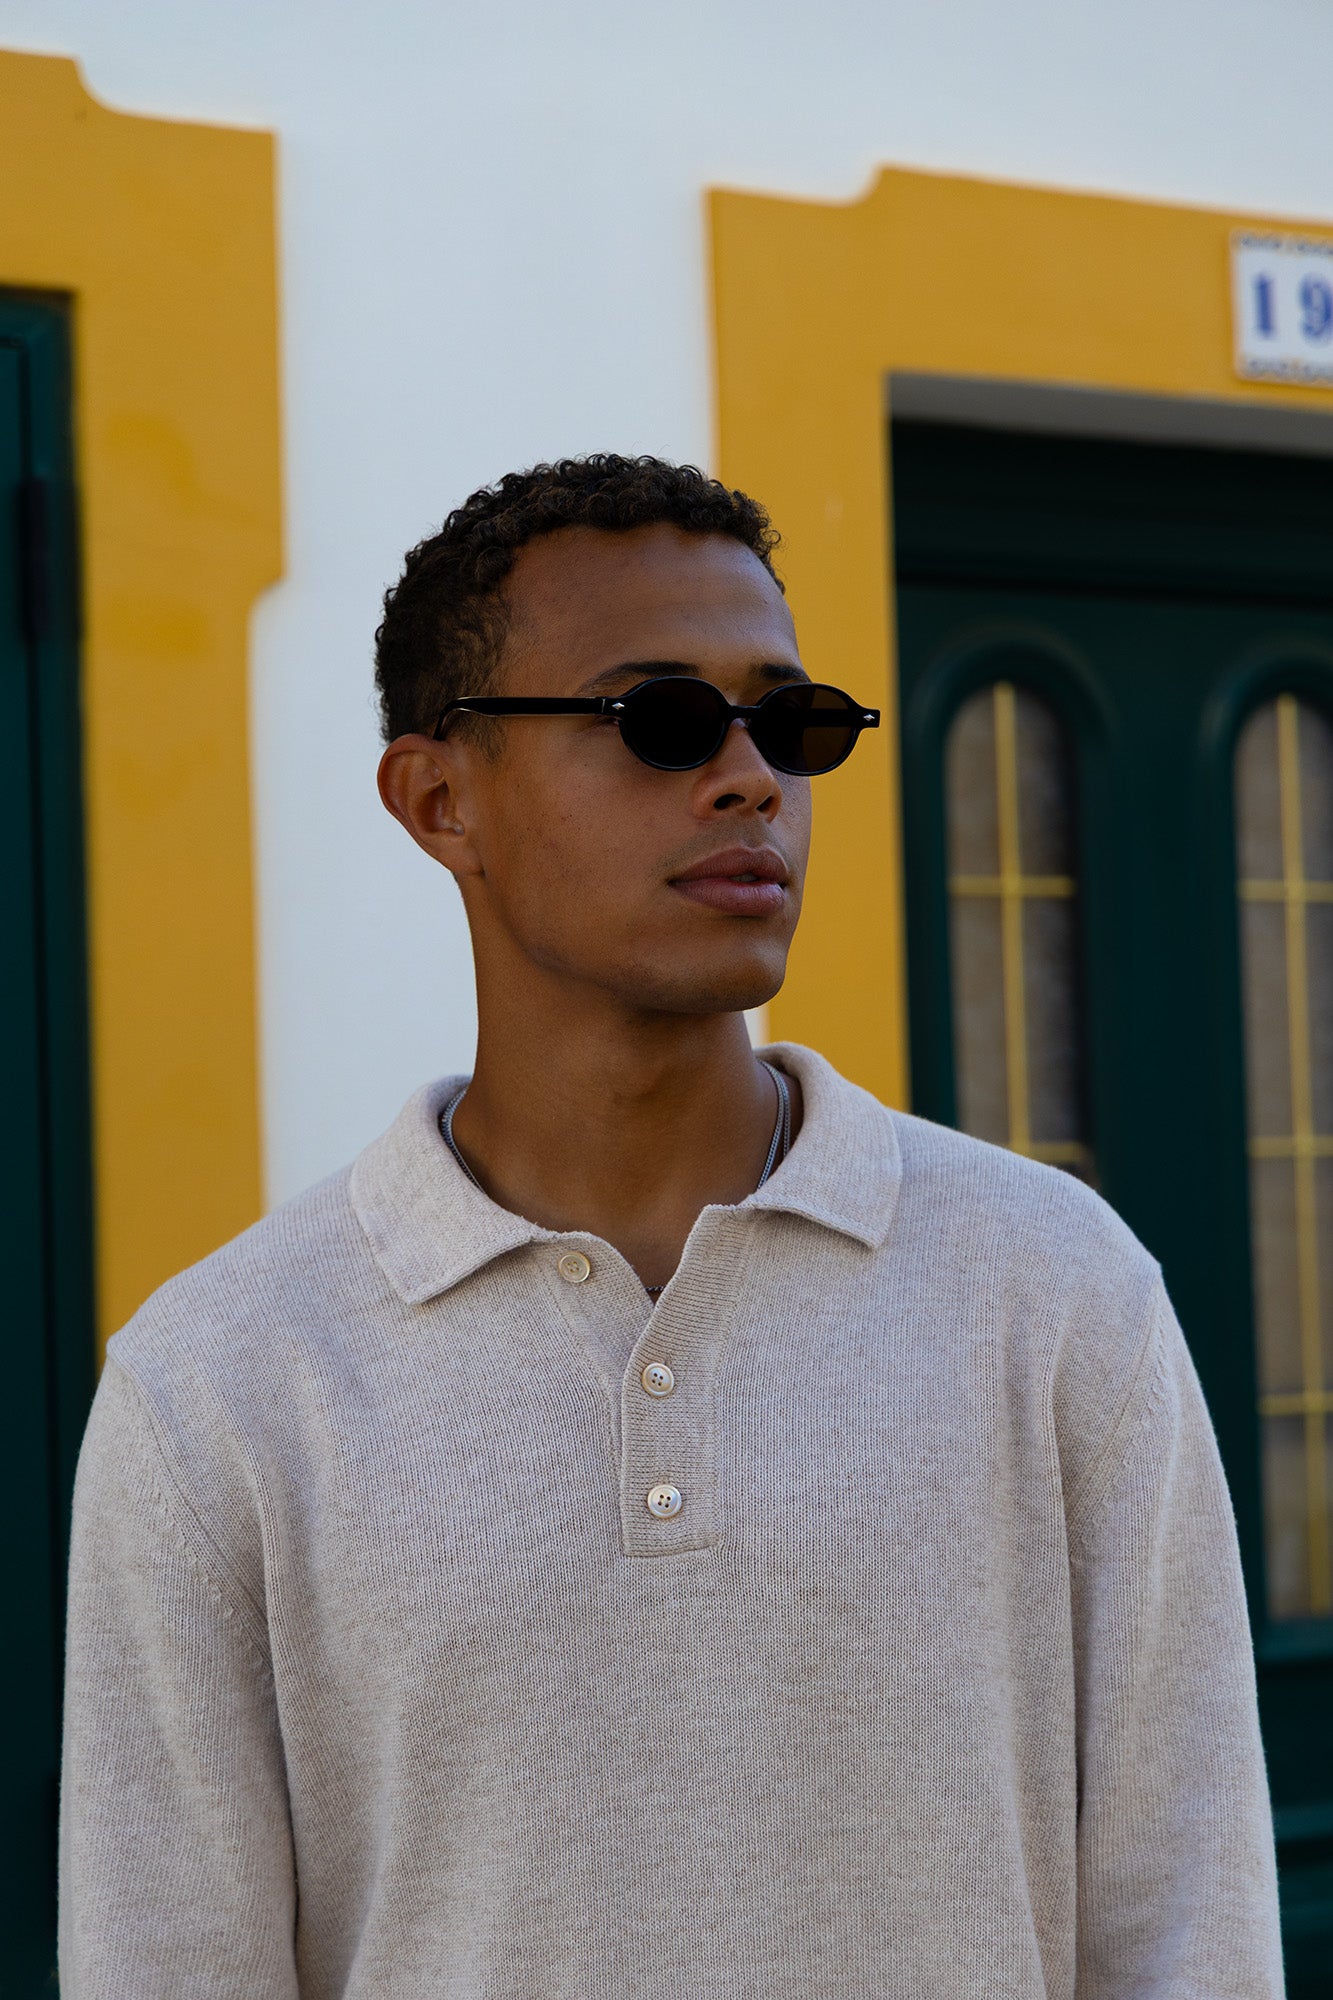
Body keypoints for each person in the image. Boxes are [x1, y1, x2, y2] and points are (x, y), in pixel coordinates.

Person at [60, 455, 1282, 1998]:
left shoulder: (1053, 1289)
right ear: (439, 799)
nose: (750, 778)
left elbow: (1189, 1928)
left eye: (790, 722)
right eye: (659, 719)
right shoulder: (217, 1387)